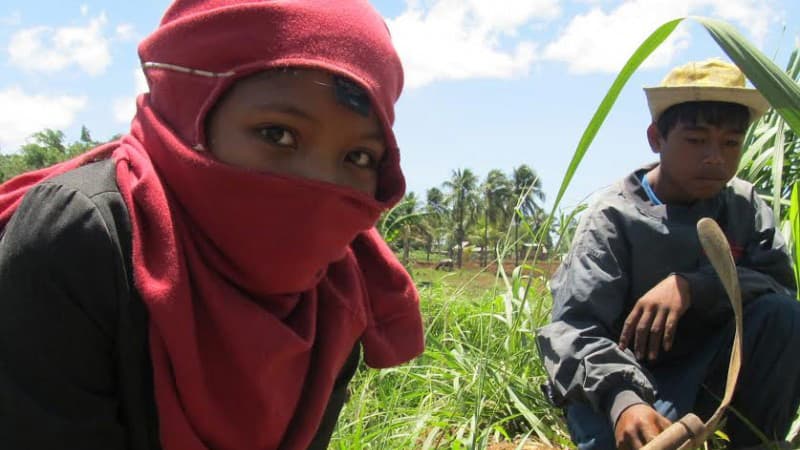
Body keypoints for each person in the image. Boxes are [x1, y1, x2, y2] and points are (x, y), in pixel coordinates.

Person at [0, 1, 424, 449]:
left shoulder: (339, 291)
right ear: (189, 114)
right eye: (277, 134)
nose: (318, 185)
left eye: (358, 157)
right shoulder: (80, 239)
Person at [536, 58, 800, 450]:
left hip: (713, 371)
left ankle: (758, 441)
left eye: (731, 143)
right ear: (656, 138)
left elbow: (778, 287)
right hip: (628, 383)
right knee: (629, 439)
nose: (715, 157)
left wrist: (696, 286)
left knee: (784, 315)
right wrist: (624, 402)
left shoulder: (743, 206)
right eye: (696, 140)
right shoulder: (613, 218)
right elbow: (575, 328)